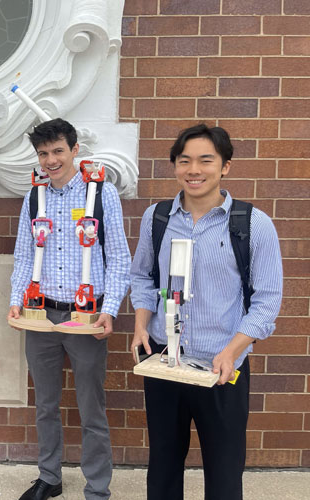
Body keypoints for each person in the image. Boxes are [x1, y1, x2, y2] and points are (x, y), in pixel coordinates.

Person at [129, 124, 282, 500]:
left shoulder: (252, 224)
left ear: (225, 166)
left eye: (205, 160)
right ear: (175, 166)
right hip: (166, 360)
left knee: (225, 467)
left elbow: (267, 301)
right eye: (185, 161)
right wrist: (140, 327)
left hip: (221, 367)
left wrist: (232, 351)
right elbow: (142, 277)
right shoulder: (158, 217)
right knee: (163, 463)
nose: (193, 170)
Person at [7, 118, 131, 500]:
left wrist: (109, 309)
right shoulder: (35, 197)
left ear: (75, 150)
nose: (51, 160)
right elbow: (24, 256)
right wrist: (15, 301)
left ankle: (97, 487)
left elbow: (119, 258)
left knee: (91, 408)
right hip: (41, 315)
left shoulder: (100, 194)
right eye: (43, 154)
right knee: (45, 404)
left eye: (58, 151)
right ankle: (50, 477)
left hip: (85, 316)